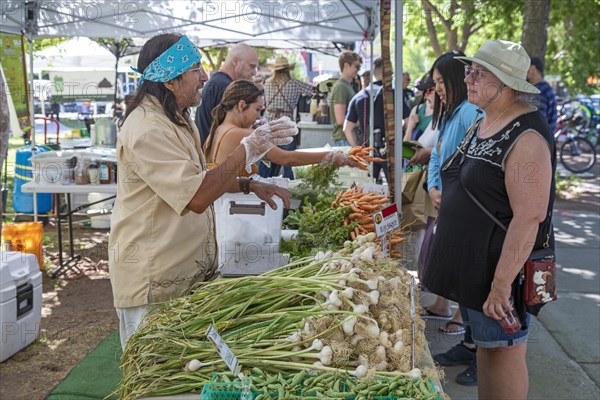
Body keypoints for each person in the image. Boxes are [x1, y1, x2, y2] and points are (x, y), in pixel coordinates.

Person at [109, 34, 296, 350]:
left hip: (185, 274)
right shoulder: (148, 129)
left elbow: (199, 179)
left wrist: (248, 183)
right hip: (154, 279)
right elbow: (196, 197)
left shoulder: (178, 120)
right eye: (196, 69)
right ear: (170, 80)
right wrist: (248, 149)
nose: (206, 77)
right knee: (155, 383)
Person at [424, 40, 555, 399]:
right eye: (469, 70)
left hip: (502, 272)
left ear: (506, 83)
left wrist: (500, 285)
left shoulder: (525, 134)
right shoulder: (486, 119)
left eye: (479, 73)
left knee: (505, 353)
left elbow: (530, 217)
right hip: (474, 266)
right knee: (487, 350)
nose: (468, 78)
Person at [419, 51, 481, 386]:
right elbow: (439, 157)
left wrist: (446, 191)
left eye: (442, 82)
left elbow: (465, 167)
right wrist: (432, 186)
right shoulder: (453, 113)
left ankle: (476, 351)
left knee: (471, 280)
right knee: (462, 278)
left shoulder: (471, 112)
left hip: (465, 212)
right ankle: (468, 344)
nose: (437, 88)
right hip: (449, 207)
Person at [204, 80, 354, 175]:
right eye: (257, 110)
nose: (258, 116)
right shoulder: (239, 133)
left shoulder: (218, 129)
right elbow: (287, 159)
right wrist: (329, 156)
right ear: (242, 106)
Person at [195, 43, 259, 146]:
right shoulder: (224, 86)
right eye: (251, 66)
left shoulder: (219, 82)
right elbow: (232, 132)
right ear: (235, 61)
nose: (254, 72)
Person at [262, 57, 314, 179]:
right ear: (288, 70)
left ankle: (263, 183)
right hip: (286, 125)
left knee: (268, 159)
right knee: (288, 160)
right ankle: (290, 188)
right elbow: (313, 90)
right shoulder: (295, 83)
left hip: (269, 124)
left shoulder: (267, 82)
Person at [343, 58, 389, 183]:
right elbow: (408, 121)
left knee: (367, 190)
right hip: (391, 151)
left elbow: (347, 128)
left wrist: (358, 151)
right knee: (395, 193)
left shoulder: (359, 97)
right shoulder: (393, 95)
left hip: (367, 152)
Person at [328, 50, 362, 146]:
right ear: (346, 66)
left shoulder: (347, 85)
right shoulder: (341, 87)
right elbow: (340, 120)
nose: (358, 70)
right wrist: (359, 123)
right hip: (343, 140)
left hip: (347, 139)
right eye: (357, 66)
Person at [527, 56, 558, 132]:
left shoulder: (538, 90)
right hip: (546, 138)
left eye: (526, 68)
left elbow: (537, 121)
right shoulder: (546, 88)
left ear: (532, 68)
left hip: (537, 139)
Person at [403, 73, 435, 142]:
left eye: (429, 90)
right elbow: (405, 143)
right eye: (424, 91)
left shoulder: (443, 113)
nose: (426, 95)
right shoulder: (416, 109)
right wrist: (410, 128)